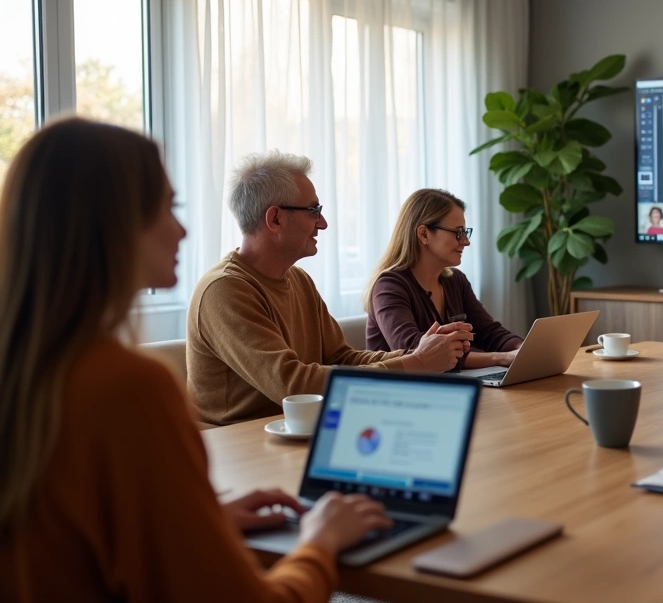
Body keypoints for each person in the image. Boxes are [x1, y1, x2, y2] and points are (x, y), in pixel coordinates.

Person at [0, 118, 390, 601]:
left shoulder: (32, 373)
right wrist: (320, 542)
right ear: (111, 227)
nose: (182, 230)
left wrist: (199, 519)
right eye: (167, 208)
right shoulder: (128, 386)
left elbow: (73, 541)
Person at [187, 151, 470, 426]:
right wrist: (416, 363)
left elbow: (342, 358)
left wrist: (418, 353)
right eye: (314, 211)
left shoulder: (299, 280)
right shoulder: (224, 290)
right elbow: (293, 386)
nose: (322, 223)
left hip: (299, 430)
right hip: (237, 445)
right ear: (275, 219)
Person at [366, 189, 522, 369]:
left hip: (450, 382)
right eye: (458, 232)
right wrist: (500, 358)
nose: (466, 241)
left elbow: (490, 333)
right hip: (401, 386)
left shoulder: (455, 280)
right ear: (424, 234)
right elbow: (414, 352)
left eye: (465, 232)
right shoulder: (388, 286)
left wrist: (523, 349)